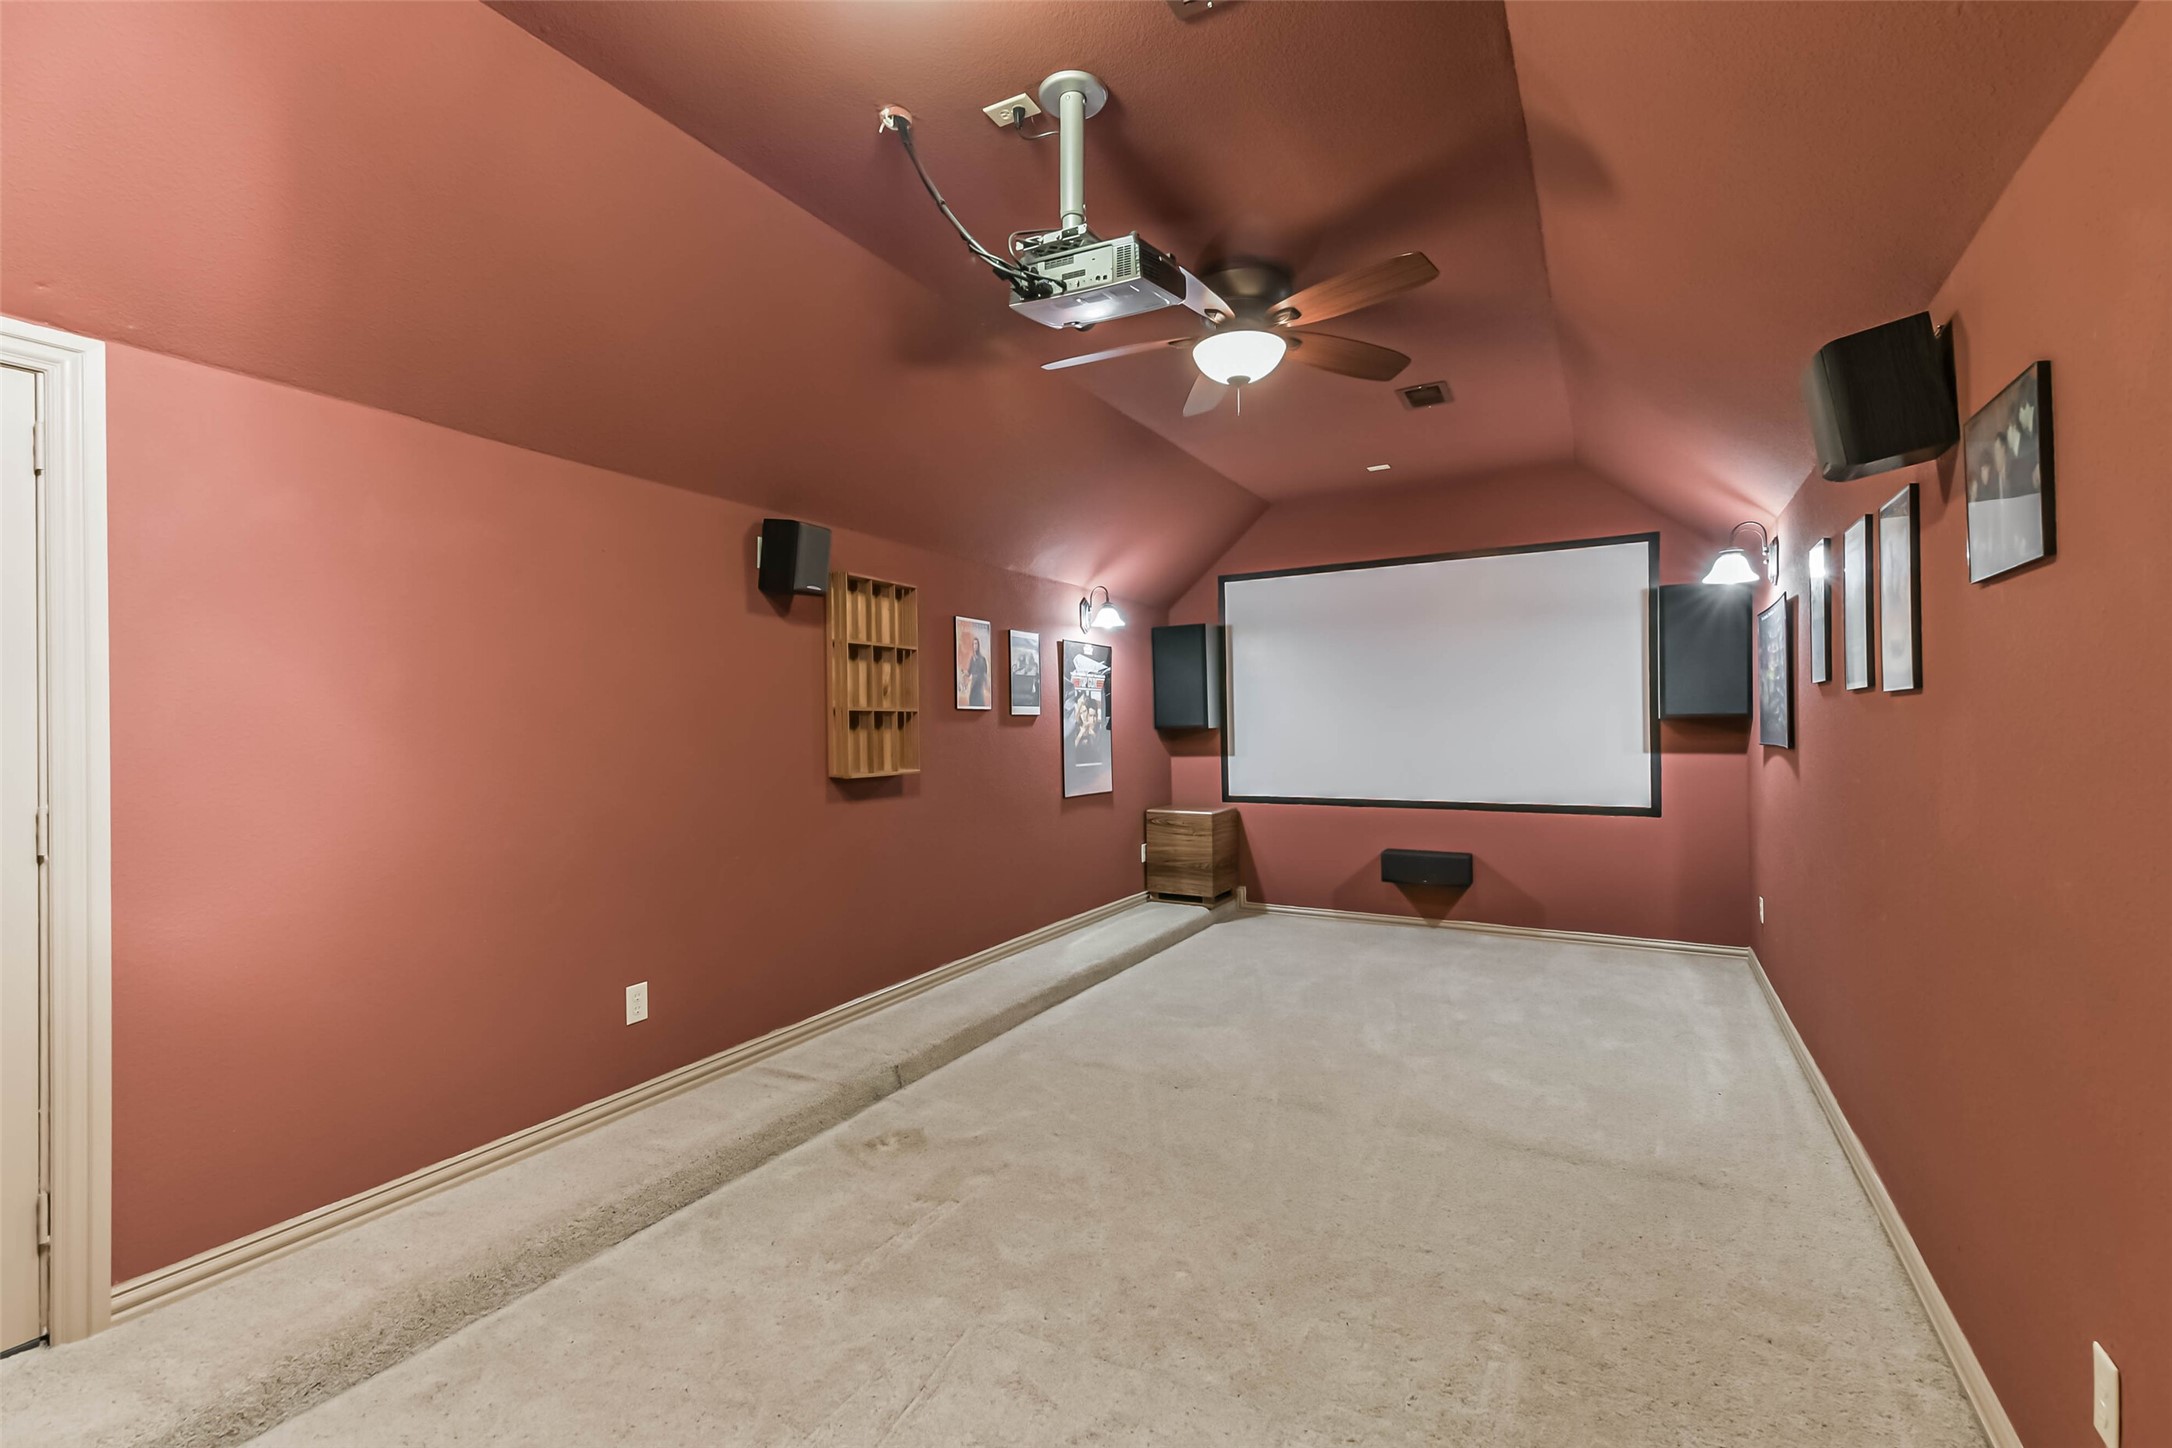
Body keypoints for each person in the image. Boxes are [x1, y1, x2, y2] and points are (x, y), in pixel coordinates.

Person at [963, 634, 989, 709]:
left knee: (979, 702)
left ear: (978, 645)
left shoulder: (982, 659)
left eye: (976, 644)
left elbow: (985, 673)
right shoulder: (972, 659)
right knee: (972, 701)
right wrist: (964, 672)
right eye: (974, 644)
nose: (975, 646)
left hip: (979, 685)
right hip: (973, 684)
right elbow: (969, 672)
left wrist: (986, 684)